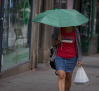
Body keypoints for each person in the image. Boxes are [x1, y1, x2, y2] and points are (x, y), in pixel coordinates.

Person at [53, 26, 82, 91]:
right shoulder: (59, 30)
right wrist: (58, 40)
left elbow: (78, 45)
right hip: (60, 56)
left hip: (72, 57)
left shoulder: (75, 31)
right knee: (61, 76)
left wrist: (79, 59)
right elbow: (54, 43)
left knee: (68, 77)